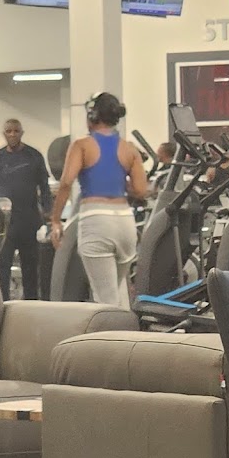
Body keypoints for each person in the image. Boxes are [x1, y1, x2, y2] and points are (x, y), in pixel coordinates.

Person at [50, 92, 148, 310]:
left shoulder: (82, 145)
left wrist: (55, 220)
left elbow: (66, 183)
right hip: (125, 222)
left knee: (105, 299)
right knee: (119, 292)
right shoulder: (129, 148)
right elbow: (141, 190)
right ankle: (127, 330)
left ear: (92, 116)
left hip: (97, 221)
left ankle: (110, 332)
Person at [0, 119, 51, 300]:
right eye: (9, 131)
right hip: (4, 225)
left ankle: (32, 305)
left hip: (29, 221)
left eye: (16, 131)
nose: (12, 134)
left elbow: (44, 188)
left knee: (31, 269)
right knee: (2, 268)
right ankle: (2, 303)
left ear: (22, 133)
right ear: (4, 133)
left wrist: (48, 216)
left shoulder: (34, 156)